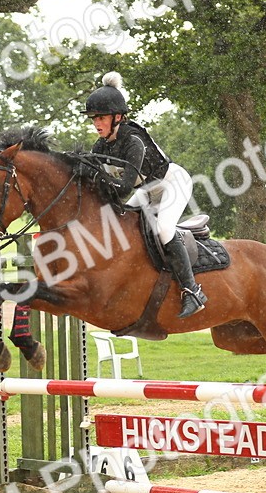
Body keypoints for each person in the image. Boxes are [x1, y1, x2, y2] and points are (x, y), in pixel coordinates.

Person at [82, 72, 209, 319]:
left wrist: (97, 176)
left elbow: (123, 189)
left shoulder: (133, 141)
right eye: (93, 118)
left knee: (163, 229)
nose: (96, 123)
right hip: (148, 190)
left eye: (101, 117)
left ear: (117, 117)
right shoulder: (100, 146)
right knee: (120, 222)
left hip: (173, 184)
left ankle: (192, 292)